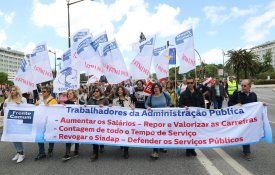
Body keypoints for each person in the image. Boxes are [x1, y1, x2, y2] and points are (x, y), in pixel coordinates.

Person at [228, 79, 260, 161]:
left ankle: (245, 148)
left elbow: (256, 105)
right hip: (240, 120)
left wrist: (261, 105)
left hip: (250, 119)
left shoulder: (253, 95)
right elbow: (229, 103)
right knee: (245, 134)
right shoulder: (237, 94)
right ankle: (247, 152)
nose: (242, 87)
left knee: (247, 134)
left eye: (245, 86)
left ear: (249, 86)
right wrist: (236, 105)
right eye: (241, 85)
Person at [145, 83, 172, 159]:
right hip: (154, 118)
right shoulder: (150, 96)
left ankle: (161, 146)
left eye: (157, 87)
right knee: (155, 133)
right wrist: (148, 108)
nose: (156, 89)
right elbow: (146, 104)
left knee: (162, 132)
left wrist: (169, 106)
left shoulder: (164, 94)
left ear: (160, 88)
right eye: (154, 87)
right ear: (152, 89)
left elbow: (170, 99)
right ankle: (155, 151)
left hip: (163, 118)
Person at [178, 77, 204, 157]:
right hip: (187, 118)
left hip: (197, 117)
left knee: (195, 134)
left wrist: (202, 111)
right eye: (188, 83)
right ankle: (188, 150)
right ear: (186, 83)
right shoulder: (183, 94)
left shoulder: (199, 93)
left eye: (191, 83)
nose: (189, 84)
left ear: (194, 83)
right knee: (188, 134)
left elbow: (202, 104)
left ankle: (192, 149)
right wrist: (184, 107)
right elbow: (180, 105)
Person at [4, 85, 27, 163]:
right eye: (11, 90)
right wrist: (4, 106)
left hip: (20, 122)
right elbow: (5, 111)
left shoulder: (23, 99)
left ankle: (21, 153)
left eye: (14, 90)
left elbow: (27, 110)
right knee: (13, 137)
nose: (12, 91)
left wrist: (20, 105)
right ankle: (18, 152)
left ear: (17, 91)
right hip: (11, 122)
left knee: (17, 137)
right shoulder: (7, 100)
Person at [35, 86, 58, 160]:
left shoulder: (53, 100)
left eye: (44, 91)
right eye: (42, 91)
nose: (42, 93)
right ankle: (41, 152)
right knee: (39, 137)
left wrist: (49, 107)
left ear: (49, 92)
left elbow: (56, 111)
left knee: (50, 136)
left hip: (49, 122)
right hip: (40, 121)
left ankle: (50, 150)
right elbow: (36, 109)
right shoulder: (39, 100)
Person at [87, 86, 109, 161]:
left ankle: (102, 145)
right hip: (93, 121)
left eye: (97, 91)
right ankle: (95, 153)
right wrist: (84, 106)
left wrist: (104, 107)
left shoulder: (104, 99)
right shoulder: (90, 99)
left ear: (100, 92)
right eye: (94, 91)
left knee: (101, 135)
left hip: (102, 121)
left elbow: (109, 108)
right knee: (94, 136)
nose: (95, 92)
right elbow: (87, 107)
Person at [112, 86, 134, 159]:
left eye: (121, 90)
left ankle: (126, 151)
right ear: (117, 92)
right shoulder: (115, 100)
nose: (120, 91)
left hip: (126, 120)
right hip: (118, 121)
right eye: (118, 90)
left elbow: (130, 105)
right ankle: (121, 144)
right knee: (120, 134)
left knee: (126, 134)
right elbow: (113, 109)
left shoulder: (128, 98)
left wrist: (132, 107)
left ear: (123, 91)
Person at [62, 90, 80, 161]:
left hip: (77, 123)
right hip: (68, 123)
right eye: (68, 94)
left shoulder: (78, 102)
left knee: (76, 136)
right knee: (68, 137)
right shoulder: (65, 103)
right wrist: (61, 106)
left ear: (74, 95)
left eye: (70, 94)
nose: (69, 95)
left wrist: (83, 105)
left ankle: (76, 150)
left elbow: (85, 108)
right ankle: (67, 153)